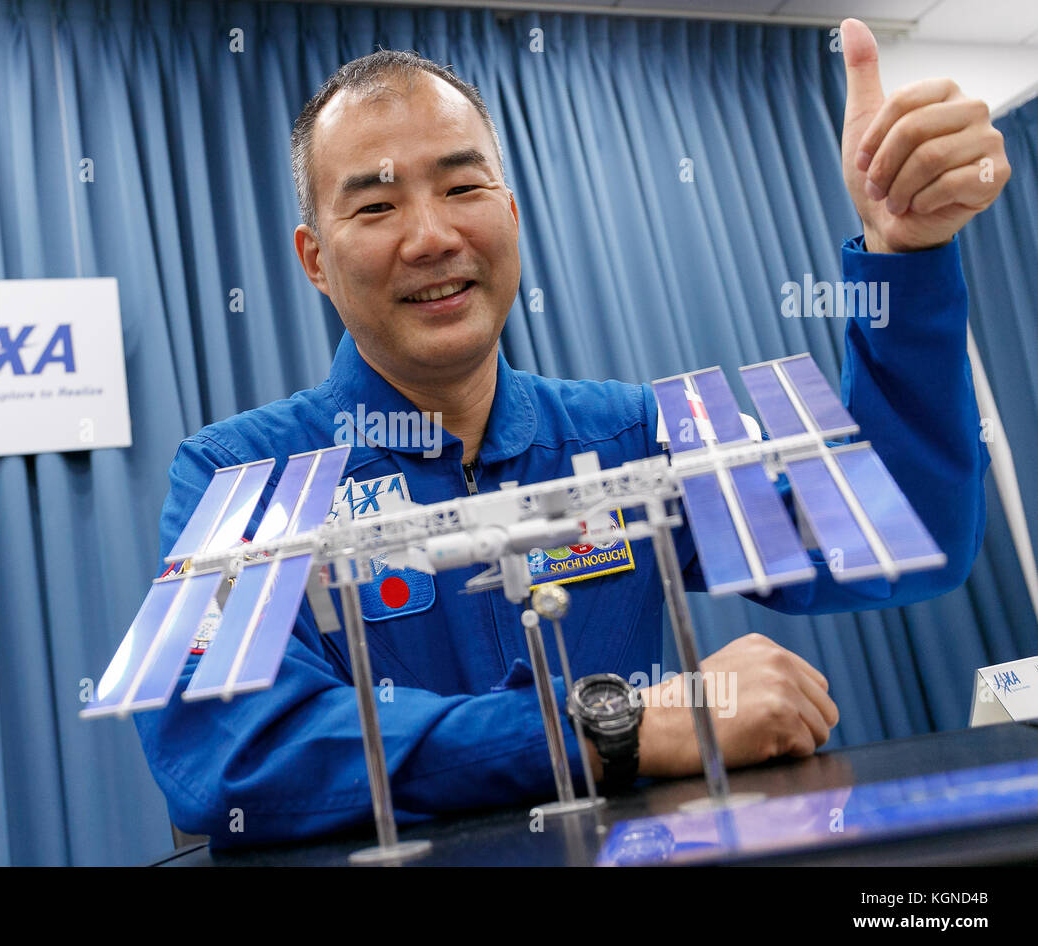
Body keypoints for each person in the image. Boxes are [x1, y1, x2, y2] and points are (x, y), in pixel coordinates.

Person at [133, 18, 1008, 847]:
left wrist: (904, 259)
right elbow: (229, 748)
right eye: (375, 208)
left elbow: (907, 539)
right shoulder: (242, 472)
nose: (432, 236)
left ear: (511, 216)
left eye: (463, 187)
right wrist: (618, 727)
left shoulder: (633, 433)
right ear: (315, 257)